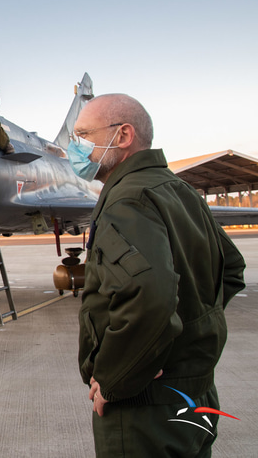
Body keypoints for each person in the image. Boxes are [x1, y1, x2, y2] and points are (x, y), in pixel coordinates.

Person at [72, 93, 245, 457]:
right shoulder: (178, 189)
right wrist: (182, 343)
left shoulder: (127, 200)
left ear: (123, 136)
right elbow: (230, 269)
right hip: (193, 394)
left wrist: (119, 377)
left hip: (145, 408)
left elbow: (149, 298)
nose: (76, 147)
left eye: (84, 134)